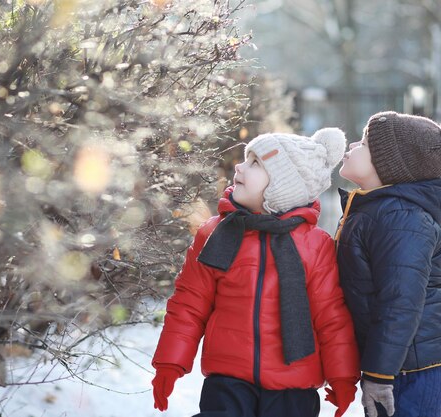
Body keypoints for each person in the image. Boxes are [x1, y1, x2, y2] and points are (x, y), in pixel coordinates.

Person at [151, 128, 360, 417]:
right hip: (228, 382)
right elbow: (190, 303)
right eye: (246, 159)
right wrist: (169, 362)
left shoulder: (315, 245)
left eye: (255, 163)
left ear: (282, 187)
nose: (239, 166)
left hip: (293, 389)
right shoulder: (217, 233)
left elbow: (331, 316)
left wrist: (343, 376)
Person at [335, 111, 441, 417]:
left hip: (407, 370)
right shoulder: (377, 210)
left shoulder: (399, 219)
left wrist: (379, 374)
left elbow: (400, 303)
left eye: (363, 143)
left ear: (389, 166)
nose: (352, 144)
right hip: (394, 363)